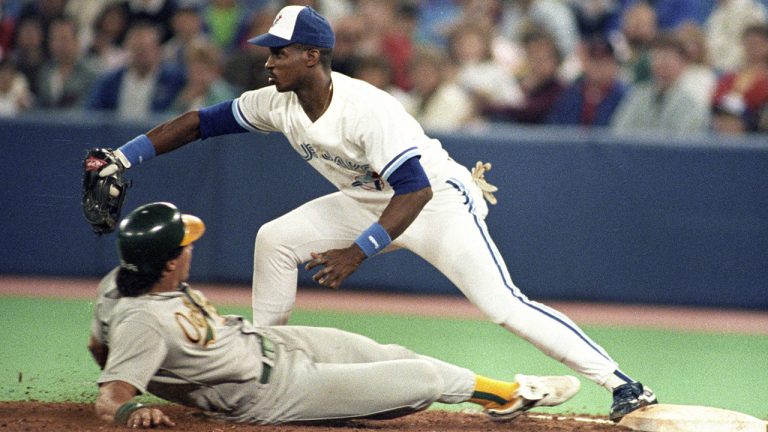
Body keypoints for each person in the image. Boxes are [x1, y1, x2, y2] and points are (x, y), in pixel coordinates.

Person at [89, 5, 656, 422]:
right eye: (269, 51)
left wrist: (358, 250)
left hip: (436, 202)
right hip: (367, 201)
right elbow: (196, 123)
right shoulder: (277, 103)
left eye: (280, 52)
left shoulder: (366, 110)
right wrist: (124, 154)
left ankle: (624, 384)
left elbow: (413, 190)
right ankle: (257, 362)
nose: (268, 61)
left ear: (312, 55)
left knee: (502, 305)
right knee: (275, 239)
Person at [88, 201, 581, 427]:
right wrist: (137, 405)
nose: (191, 246)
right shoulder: (142, 320)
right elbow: (112, 394)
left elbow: (98, 347)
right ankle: (507, 396)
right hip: (268, 391)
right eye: (184, 243)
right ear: (170, 262)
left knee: (383, 353)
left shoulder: (119, 283)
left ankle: (465, 391)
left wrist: (180, 382)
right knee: (423, 377)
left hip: (269, 344)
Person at [611, 33, 709, 135]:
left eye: (668, 58)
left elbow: (687, 142)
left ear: (683, 63)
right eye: (657, 57)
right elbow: (619, 132)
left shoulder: (693, 104)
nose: (662, 63)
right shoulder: (637, 96)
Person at [85, 21, 185, 120]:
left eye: (145, 48)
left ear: (158, 50)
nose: (141, 54)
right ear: (127, 49)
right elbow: (93, 113)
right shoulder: (109, 82)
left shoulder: (174, 81)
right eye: (136, 48)